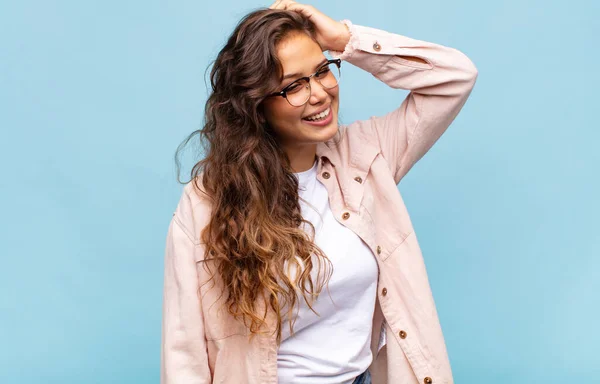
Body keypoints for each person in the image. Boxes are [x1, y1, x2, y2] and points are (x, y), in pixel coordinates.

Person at [161, 1, 477, 383]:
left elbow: (455, 76)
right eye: (294, 85)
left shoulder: (366, 155)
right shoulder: (206, 202)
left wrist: (345, 39)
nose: (319, 94)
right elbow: (184, 351)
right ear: (256, 106)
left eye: (323, 70)